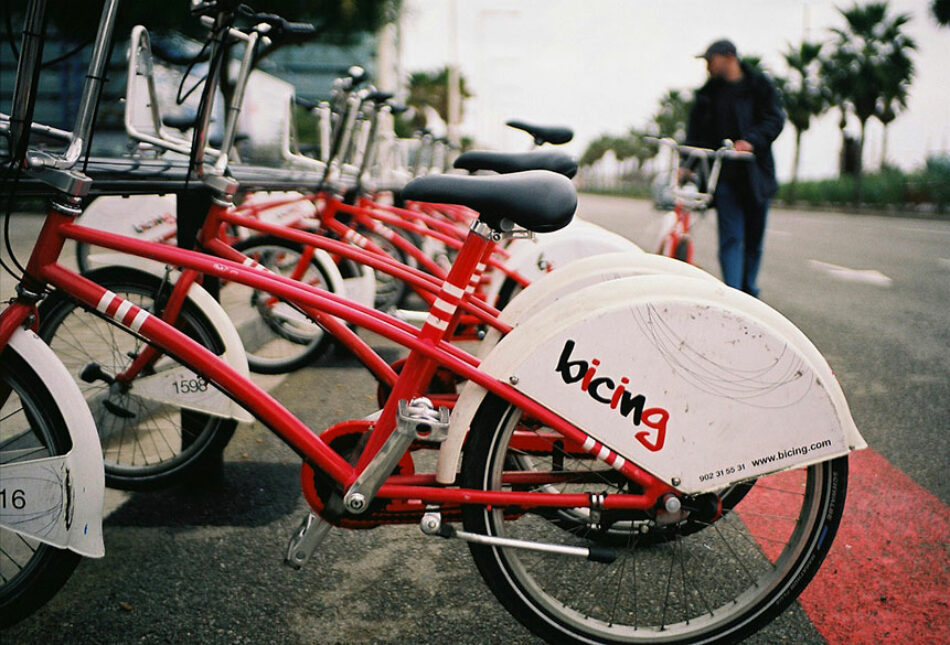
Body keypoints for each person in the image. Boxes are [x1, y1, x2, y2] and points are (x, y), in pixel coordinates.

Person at [685, 39, 785, 297]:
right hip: (726, 178)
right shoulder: (708, 94)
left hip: (756, 177)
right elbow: (696, 134)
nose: (708, 66)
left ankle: (749, 292)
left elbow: (774, 119)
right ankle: (734, 295)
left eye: (711, 60)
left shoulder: (759, 85)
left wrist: (751, 141)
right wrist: (687, 164)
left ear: (728, 57)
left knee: (754, 240)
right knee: (731, 238)